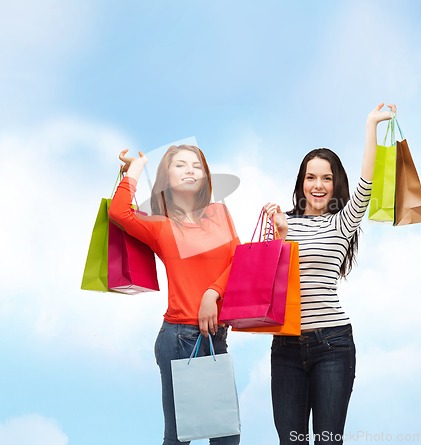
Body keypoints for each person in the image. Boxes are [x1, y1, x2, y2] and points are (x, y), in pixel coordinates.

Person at [263, 103, 397, 444]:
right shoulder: (282, 221)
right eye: (311, 177)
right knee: (291, 441)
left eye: (326, 178)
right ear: (301, 181)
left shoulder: (342, 221)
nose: (318, 185)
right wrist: (278, 235)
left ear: (335, 183)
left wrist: (372, 125)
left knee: (327, 440)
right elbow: (268, 284)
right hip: (286, 346)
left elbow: (367, 181)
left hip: (333, 344)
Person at [108, 144, 241, 445]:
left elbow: (238, 260)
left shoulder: (220, 213)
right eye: (180, 165)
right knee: (181, 437)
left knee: (227, 437)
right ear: (166, 178)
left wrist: (212, 292)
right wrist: (137, 166)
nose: (190, 169)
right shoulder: (161, 226)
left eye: (196, 165)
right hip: (180, 337)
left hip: (217, 336)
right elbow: (119, 212)